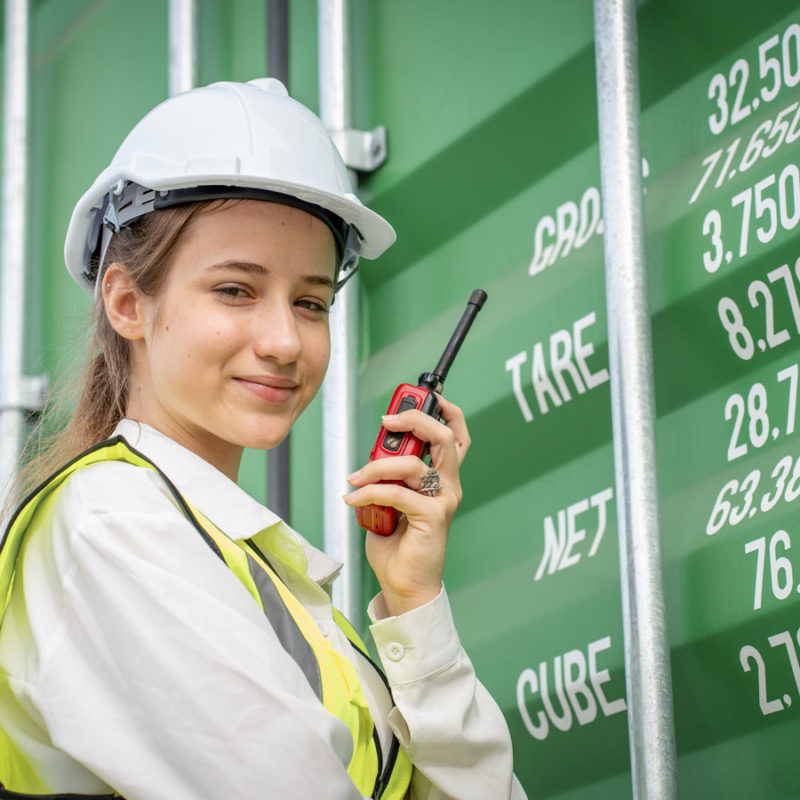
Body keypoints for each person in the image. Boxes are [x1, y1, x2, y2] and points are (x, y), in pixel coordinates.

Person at [0, 78, 526, 800]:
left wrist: (413, 602)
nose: (285, 341)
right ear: (127, 303)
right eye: (235, 290)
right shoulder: (110, 523)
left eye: (311, 302)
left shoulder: (243, 563)